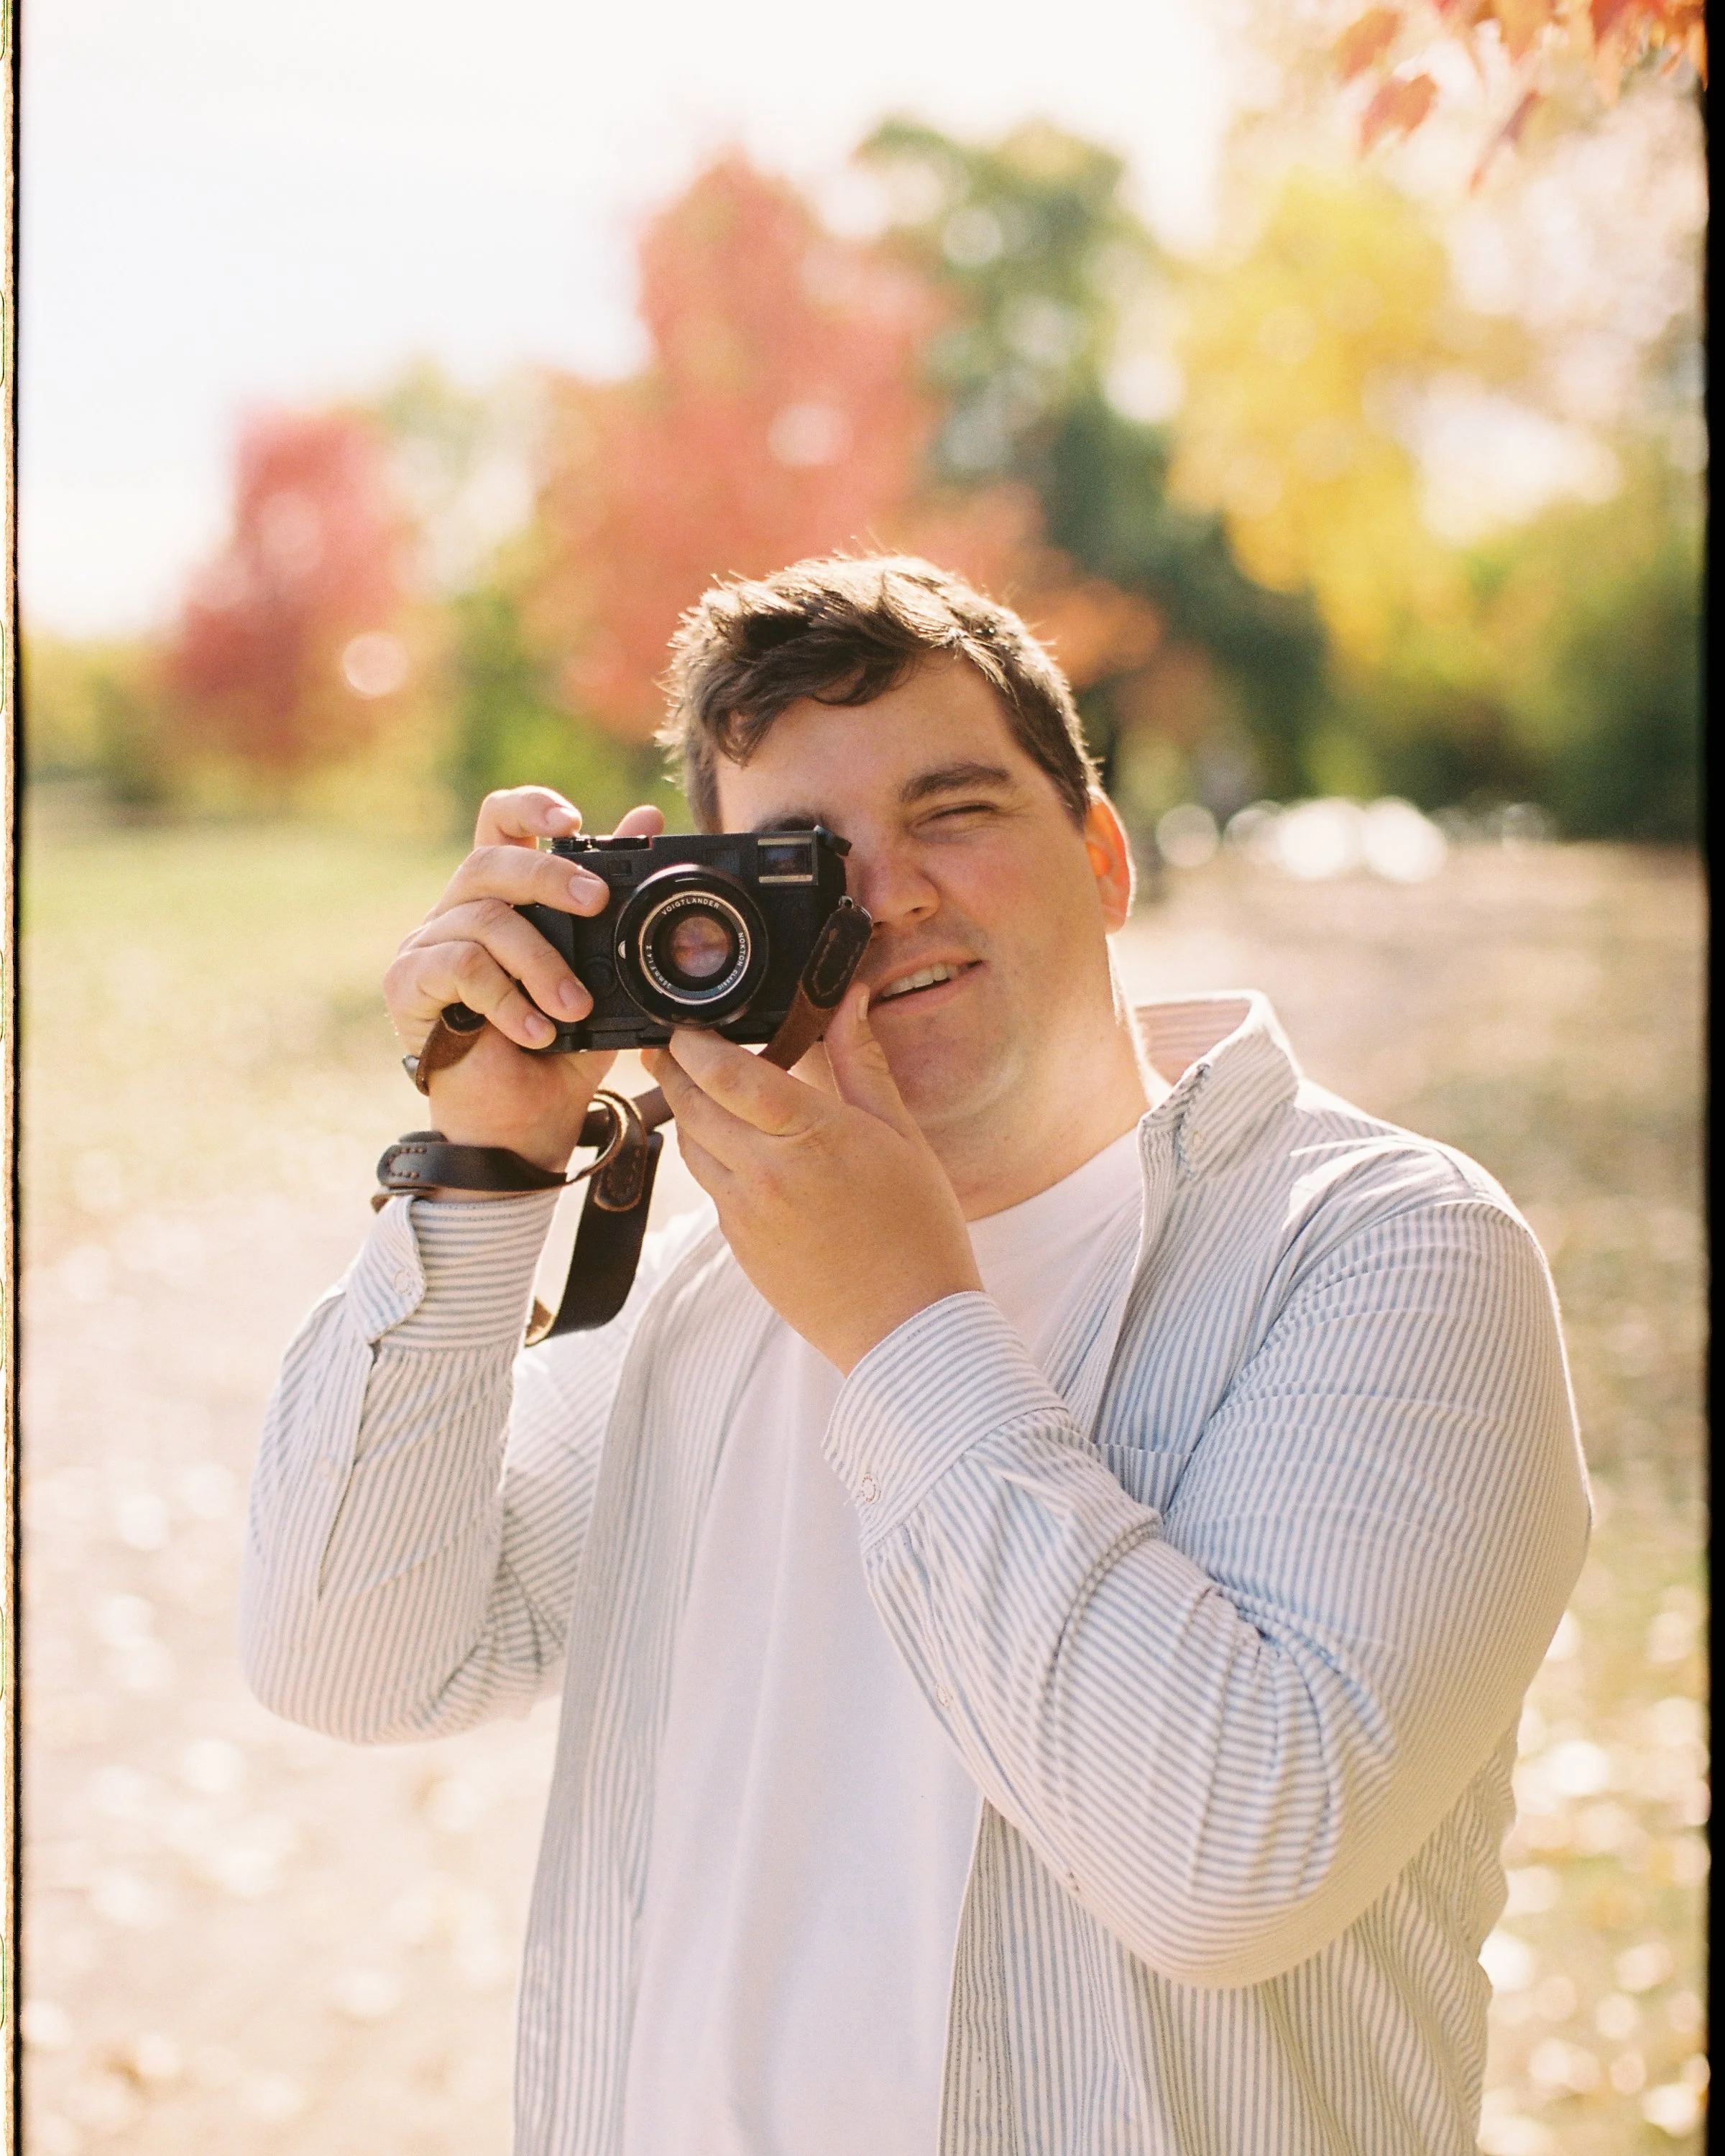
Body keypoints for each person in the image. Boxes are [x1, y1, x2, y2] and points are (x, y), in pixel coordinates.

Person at [242, 555, 1589, 2156]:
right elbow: (348, 1659)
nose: (889, 897)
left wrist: (897, 1323)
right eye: (807, 858)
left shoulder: (1382, 1250)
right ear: (716, 917)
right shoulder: (709, 1300)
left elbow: (1236, 1863)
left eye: (953, 811)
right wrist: (483, 1168)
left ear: (1103, 857)